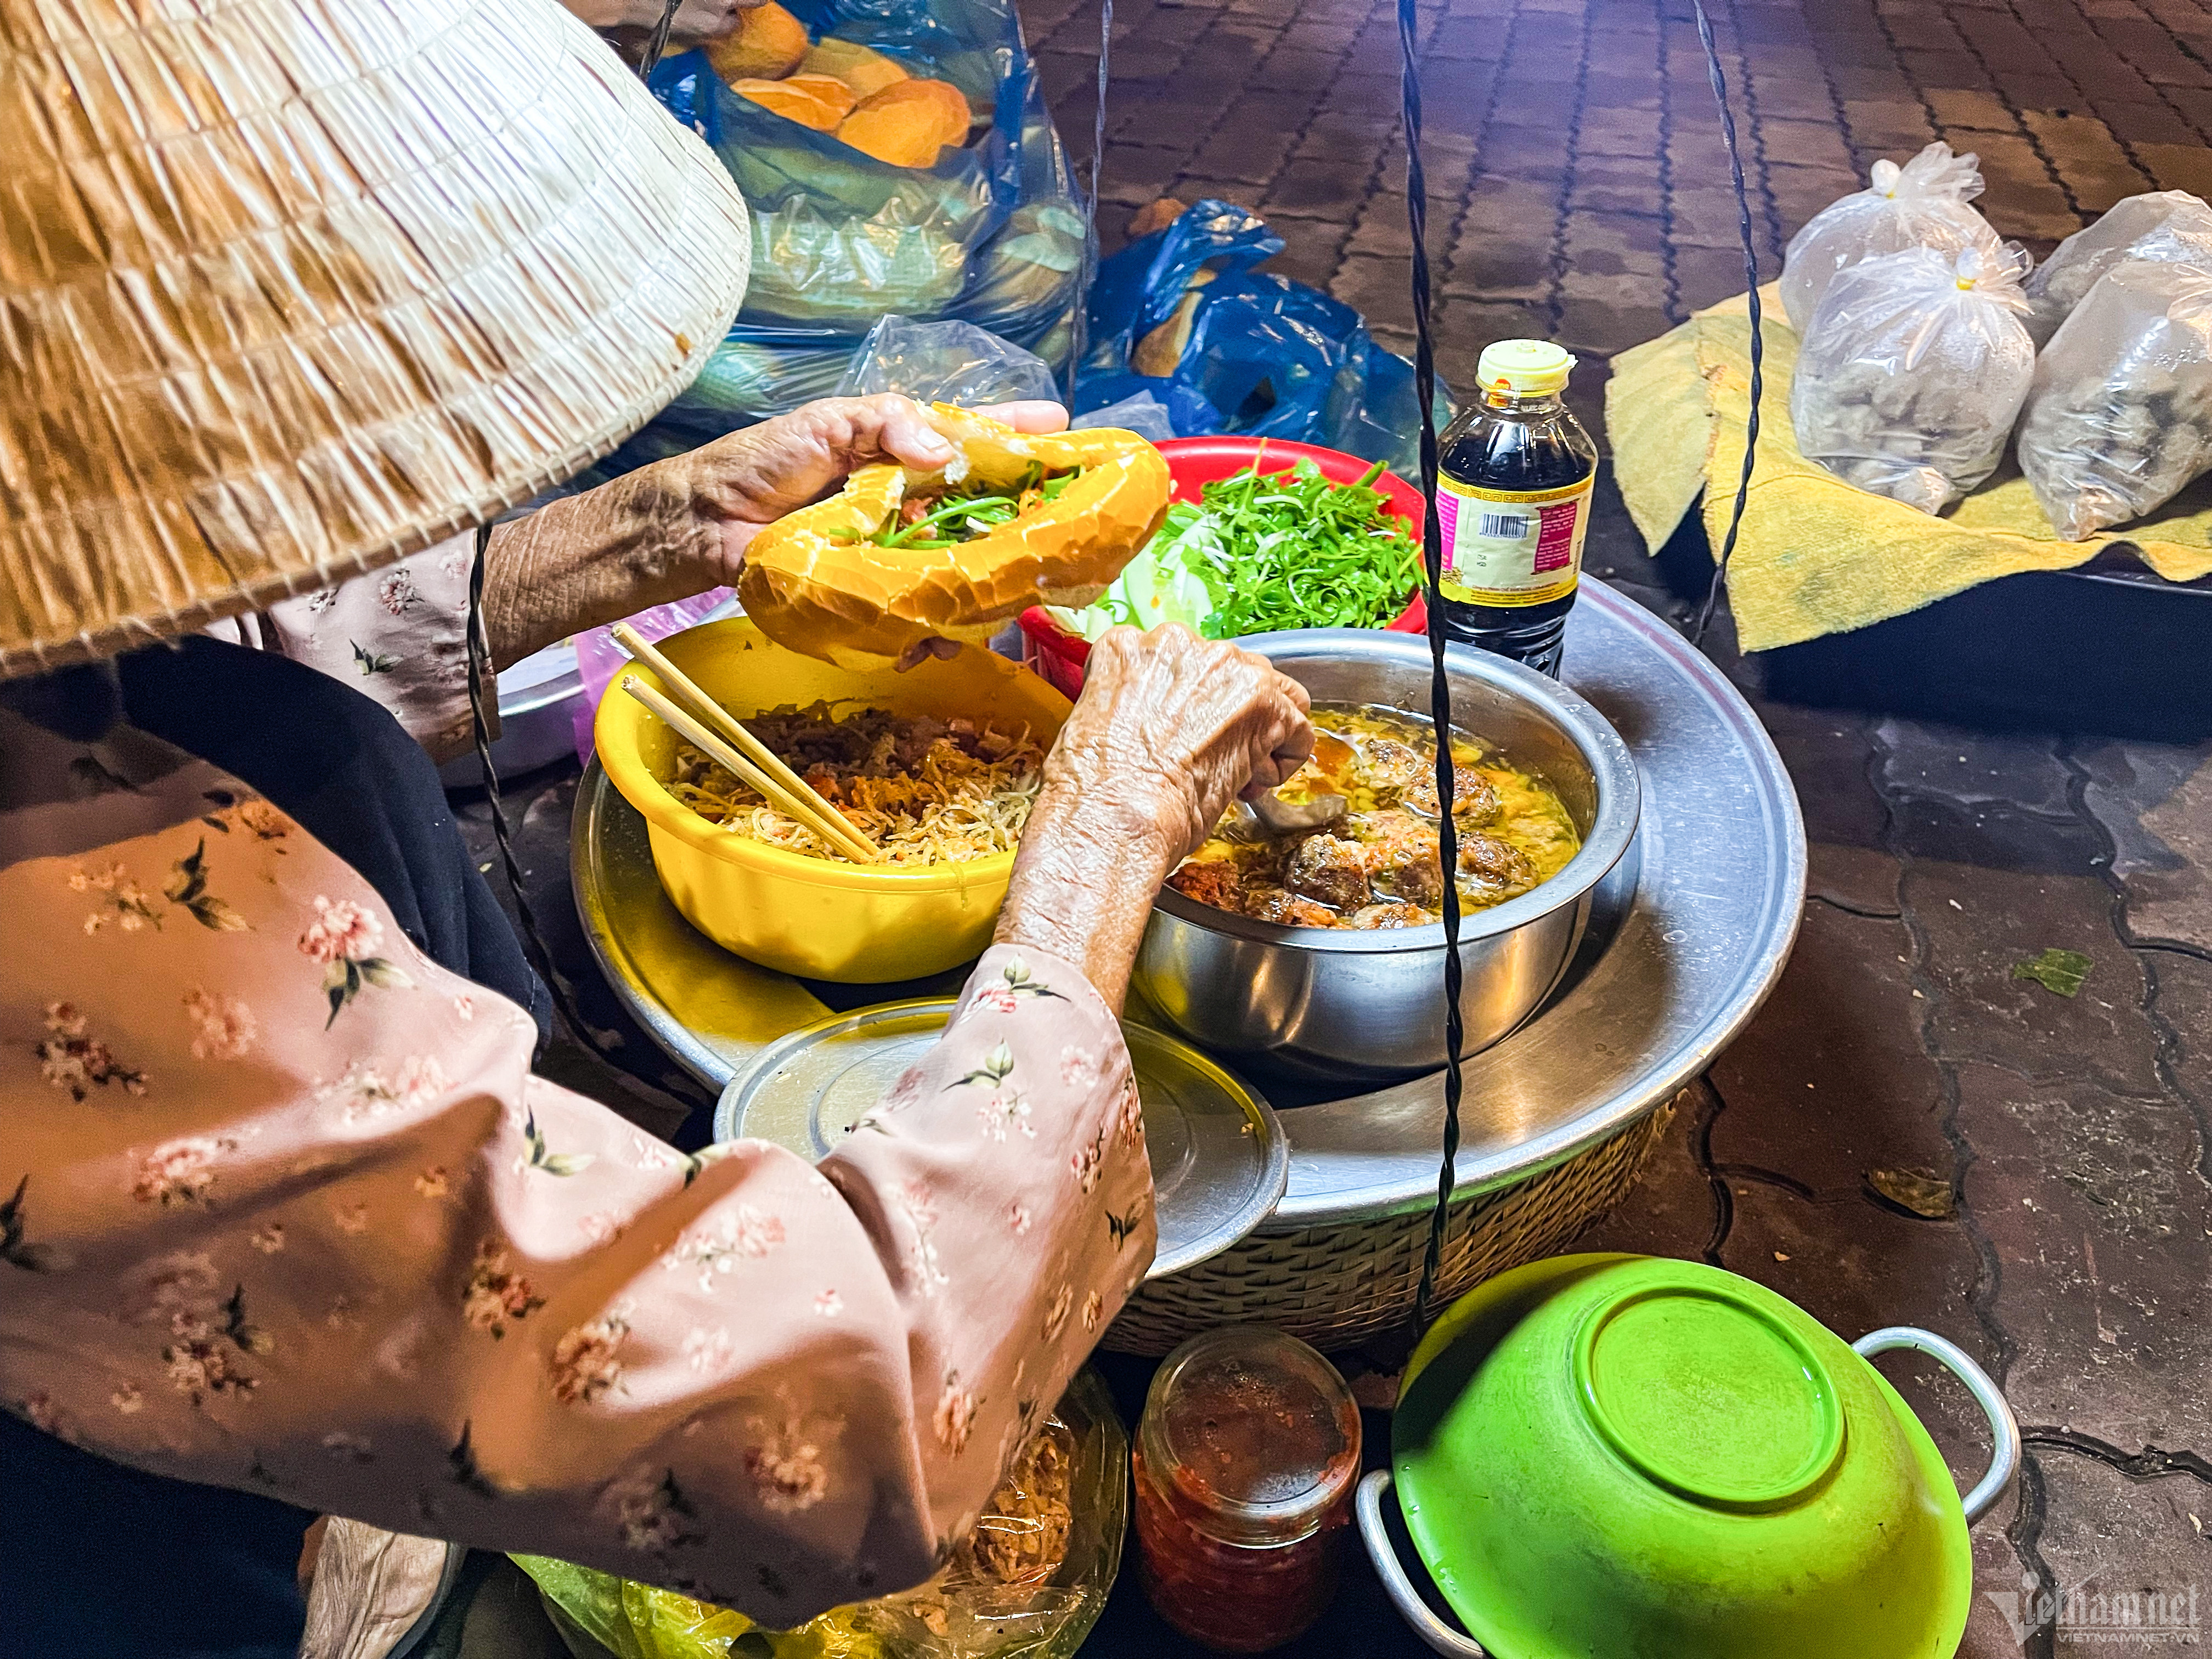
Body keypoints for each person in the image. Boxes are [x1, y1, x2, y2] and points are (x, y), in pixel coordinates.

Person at [0, 3, 1316, 1656]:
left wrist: (660, 525)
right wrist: (1104, 832)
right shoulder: (78, 982)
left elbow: (233, 639)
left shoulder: (54, 648)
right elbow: (840, 1414)